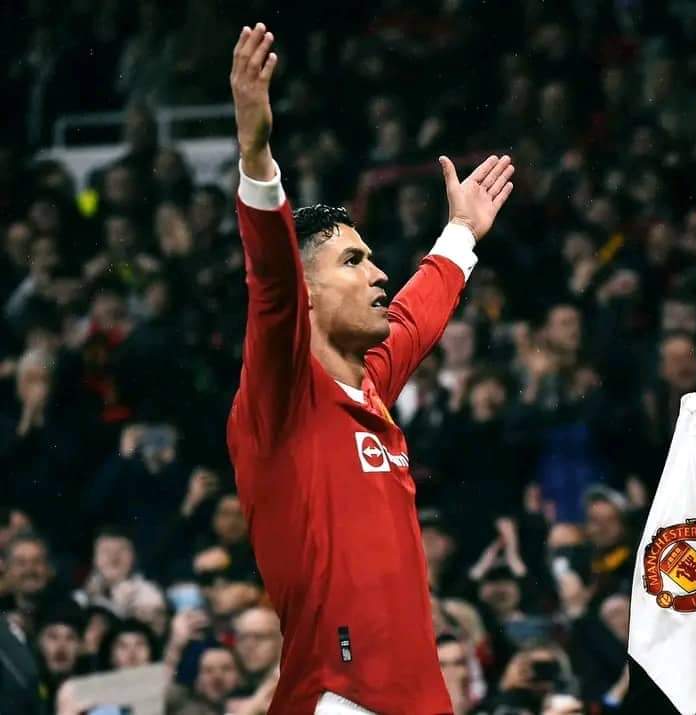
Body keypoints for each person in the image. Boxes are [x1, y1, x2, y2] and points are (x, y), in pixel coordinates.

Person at [225, 22, 514, 714]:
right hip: (339, 697)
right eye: (353, 261)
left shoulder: (370, 385)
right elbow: (270, 279)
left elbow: (418, 312)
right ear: (306, 293)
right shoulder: (281, 396)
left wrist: (461, 234)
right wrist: (257, 159)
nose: (379, 273)